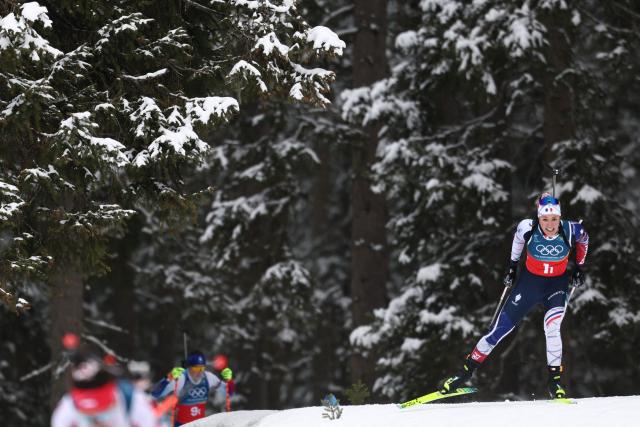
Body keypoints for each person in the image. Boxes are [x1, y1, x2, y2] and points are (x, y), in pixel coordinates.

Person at [440, 193, 589, 398]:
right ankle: (463, 374)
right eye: (545, 219)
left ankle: (555, 383)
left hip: (556, 286)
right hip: (528, 286)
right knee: (498, 330)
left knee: (552, 329)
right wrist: (512, 266)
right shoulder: (527, 227)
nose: (550, 224)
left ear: (559, 217)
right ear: (539, 218)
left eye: (554, 219)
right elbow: (518, 241)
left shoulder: (572, 230)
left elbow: (584, 240)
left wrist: (580, 267)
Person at [51, 347, 157, 427]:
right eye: (88, 417)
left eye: (104, 413)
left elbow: (149, 421)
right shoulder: (67, 409)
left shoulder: (132, 400)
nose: (98, 423)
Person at [151, 351, 233, 426]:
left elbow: (228, 393)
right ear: (188, 368)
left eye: (202, 368)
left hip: (200, 425)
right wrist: (168, 378)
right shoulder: (181, 378)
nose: (199, 372)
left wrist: (229, 380)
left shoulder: (208, 377)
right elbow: (155, 393)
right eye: (196, 368)